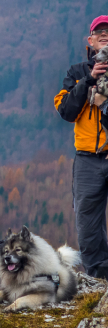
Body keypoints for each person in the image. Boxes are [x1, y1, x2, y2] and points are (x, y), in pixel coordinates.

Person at [54, 15, 108, 278]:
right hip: (87, 158)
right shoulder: (76, 72)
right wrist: (88, 79)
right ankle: (100, 279)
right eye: (100, 32)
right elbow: (65, 111)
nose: (105, 35)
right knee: (87, 224)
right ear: (90, 40)